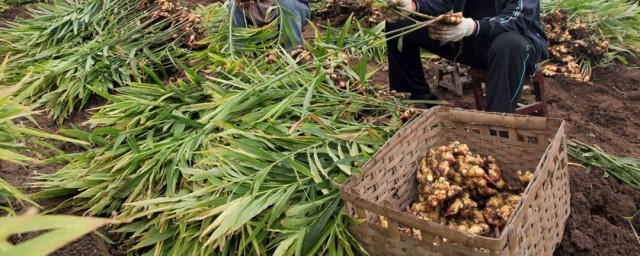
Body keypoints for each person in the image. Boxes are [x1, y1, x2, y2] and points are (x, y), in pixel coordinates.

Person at [382, 0, 547, 113]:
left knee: (510, 44)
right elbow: (441, 2)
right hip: (468, 42)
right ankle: (419, 99)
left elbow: (517, 20)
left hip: (511, 49)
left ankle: (496, 127)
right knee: (400, 24)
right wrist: (412, 5)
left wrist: (473, 26)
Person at [228, 0, 311, 50]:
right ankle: (241, 50)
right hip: (263, 9)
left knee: (284, 1)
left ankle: (294, 49)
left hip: (294, 9)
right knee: (234, 4)